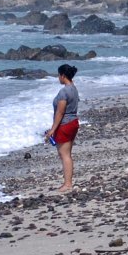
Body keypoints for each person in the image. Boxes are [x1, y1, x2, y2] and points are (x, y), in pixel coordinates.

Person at [44, 64, 79, 192]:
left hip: (65, 124)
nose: (58, 78)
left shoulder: (64, 91)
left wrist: (52, 129)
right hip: (73, 122)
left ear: (63, 75)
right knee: (67, 154)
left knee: (64, 155)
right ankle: (68, 182)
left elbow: (60, 112)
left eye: (58, 75)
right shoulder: (73, 89)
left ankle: (68, 184)